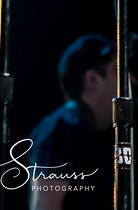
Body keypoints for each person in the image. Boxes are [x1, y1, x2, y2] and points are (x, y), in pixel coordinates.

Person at [28, 34, 119, 210]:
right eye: (117, 70)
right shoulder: (61, 131)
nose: (131, 80)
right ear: (92, 79)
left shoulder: (102, 133)